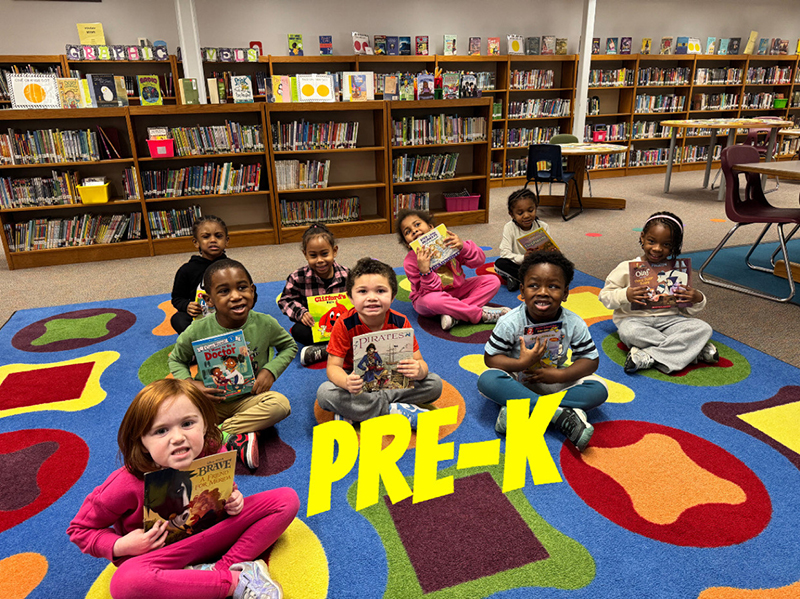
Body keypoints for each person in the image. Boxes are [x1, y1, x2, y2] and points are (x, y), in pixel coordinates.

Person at [67, 378, 299, 599]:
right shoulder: (124, 482)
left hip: (214, 532)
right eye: (161, 431)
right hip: (163, 554)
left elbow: (226, 488)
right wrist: (121, 545)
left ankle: (217, 570)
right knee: (124, 582)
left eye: (188, 424)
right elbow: (79, 530)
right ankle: (233, 582)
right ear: (142, 443)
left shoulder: (211, 450)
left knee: (287, 499)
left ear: (205, 424)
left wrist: (234, 498)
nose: (178, 437)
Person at [169, 258, 296, 471]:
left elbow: (289, 346)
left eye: (242, 287)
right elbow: (176, 359)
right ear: (209, 300)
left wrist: (270, 371)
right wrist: (191, 384)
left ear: (253, 291)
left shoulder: (265, 323)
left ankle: (216, 436)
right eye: (224, 291)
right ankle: (235, 436)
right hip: (210, 402)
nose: (236, 296)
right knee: (170, 415)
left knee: (280, 405)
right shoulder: (197, 329)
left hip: (250, 399)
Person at [478, 251, 608, 452]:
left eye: (553, 286)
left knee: (600, 388)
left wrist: (560, 374)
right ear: (522, 290)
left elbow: (590, 361)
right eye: (533, 285)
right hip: (516, 380)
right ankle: (560, 415)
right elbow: (491, 359)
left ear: (565, 293)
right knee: (487, 379)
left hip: (553, 379)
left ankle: (520, 411)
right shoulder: (510, 322)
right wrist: (520, 364)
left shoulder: (574, 323)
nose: (543, 292)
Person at [316, 257, 443, 428]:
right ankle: (393, 411)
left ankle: (359, 412)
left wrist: (419, 370)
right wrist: (346, 382)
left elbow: (419, 361)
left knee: (434, 384)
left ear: (393, 296)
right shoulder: (344, 323)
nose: (372, 298)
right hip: (357, 382)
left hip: (392, 380)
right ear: (351, 298)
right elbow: (333, 367)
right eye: (362, 292)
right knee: (325, 393)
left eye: (380, 291)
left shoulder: (400, 321)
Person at [598, 211, 717, 374]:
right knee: (630, 333)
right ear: (642, 237)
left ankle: (649, 355)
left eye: (666, 245)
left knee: (703, 328)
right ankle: (694, 351)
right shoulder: (626, 267)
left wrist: (696, 298)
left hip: (669, 321)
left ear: (675, 246)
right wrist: (626, 294)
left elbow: (687, 310)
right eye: (651, 241)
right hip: (635, 321)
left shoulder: (677, 271)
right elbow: (605, 297)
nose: (657, 249)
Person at [396, 208, 508, 331]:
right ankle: (478, 314)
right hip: (430, 297)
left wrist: (463, 247)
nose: (415, 230)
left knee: (493, 281)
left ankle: (455, 315)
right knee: (432, 301)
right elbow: (427, 292)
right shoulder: (411, 262)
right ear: (407, 244)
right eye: (407, 232)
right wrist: (425, 271)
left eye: (417, 224)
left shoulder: (449, 242)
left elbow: (479, 261)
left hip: (459, 290)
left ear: (431, 227)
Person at [169, 216, 258, 335]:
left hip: (230, 315)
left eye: (218, 236)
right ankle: (197, 345)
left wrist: (240, 305)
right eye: (206, 237)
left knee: (256, 320)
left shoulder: (235, 269)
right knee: (178, 319)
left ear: (227, 241)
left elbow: (252, 293)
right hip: (200, 318)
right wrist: (187, 306)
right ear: (196, 242)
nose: (213, 240)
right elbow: (177, 298)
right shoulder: (187, 270)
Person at [278, 224, 349, 367]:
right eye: (313, 255)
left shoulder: (347, 275)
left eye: (324, 253)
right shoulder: (298, 277)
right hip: (316, 326)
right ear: (305, 254)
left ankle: (325, 350)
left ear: (334, 251)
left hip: (342, 325)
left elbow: (358, 297)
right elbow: (285, 300)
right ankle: (337, 348)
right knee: (298, 331)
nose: (320, 260)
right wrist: (301, 313)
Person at [494, 188, 551, 292]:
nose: (526, 215)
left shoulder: (543, 226)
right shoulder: (509, 228)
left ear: (536, 208)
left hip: (538, 266)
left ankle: (516, 279)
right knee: (500, 264)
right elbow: (504, 253)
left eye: (530, 210)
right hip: (518, 265)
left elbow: (549, 253)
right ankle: (533, 281)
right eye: (520, 213)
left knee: (561, 265)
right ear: (511, 214)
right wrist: (523, 258)